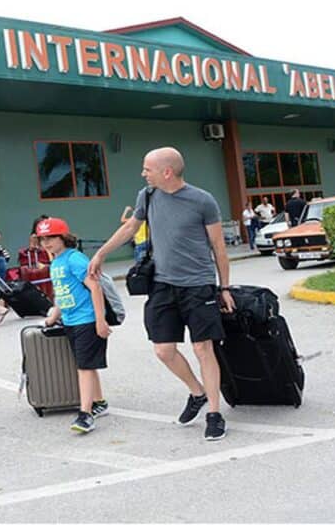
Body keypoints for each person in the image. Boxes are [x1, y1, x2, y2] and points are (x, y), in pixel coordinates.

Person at [89, 147, 235, 441]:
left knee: (202, 348)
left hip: (197, 284)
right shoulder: (147, 195)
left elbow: (219, 247)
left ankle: (215, 414)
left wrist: (225, 287)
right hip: (162, 284)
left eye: (147, 168)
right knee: (163, 350)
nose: (143, 173)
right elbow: (131, 227)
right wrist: (101, 254)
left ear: (166, 171)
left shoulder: (203, 200)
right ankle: (198, 392)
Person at [37, 217, 111, 434]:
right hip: (70, 320)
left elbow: (95, 288)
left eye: (51, 237)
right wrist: (52, 318)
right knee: (86, 364)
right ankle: (99, 402)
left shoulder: (74, 259)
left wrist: (100, 320)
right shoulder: (57, 262)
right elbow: (61, 294)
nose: (46, 243)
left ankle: (85, 414)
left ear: (63, 237)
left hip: (86, 320)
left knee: (84, 367)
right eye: (42, 239)